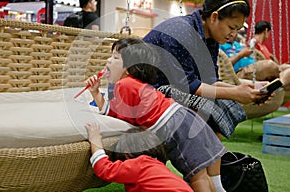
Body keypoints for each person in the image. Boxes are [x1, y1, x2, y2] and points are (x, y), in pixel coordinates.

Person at [142, 0, 271, 192]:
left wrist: (246, 90)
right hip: (143, 92)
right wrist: (235, 93)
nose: (233, 35)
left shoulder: (210, 37)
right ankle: (207, 182)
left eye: (237, 29)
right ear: (214, 17)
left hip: (171, 89)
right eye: (231, 27)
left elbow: (210, 80)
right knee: (205, 109)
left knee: (214, 108)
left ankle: (216, 183)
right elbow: (189, 87)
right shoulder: (183, 32)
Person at [85, 38, 226, 192]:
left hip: (174, 126)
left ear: (129, 68)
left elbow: (116, 116)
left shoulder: (124, 84)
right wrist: (96, 92)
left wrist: (96, 95)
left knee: (197, 177)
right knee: (203, 174)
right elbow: (117, 112)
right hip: (184, 118)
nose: (108, 61)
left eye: (115, 57)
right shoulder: (134, 84)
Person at [85, 122, 194, 192]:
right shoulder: (157, 167)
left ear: (126, 152)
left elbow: (103, 168)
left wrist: (95, 139)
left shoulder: (140, 165)